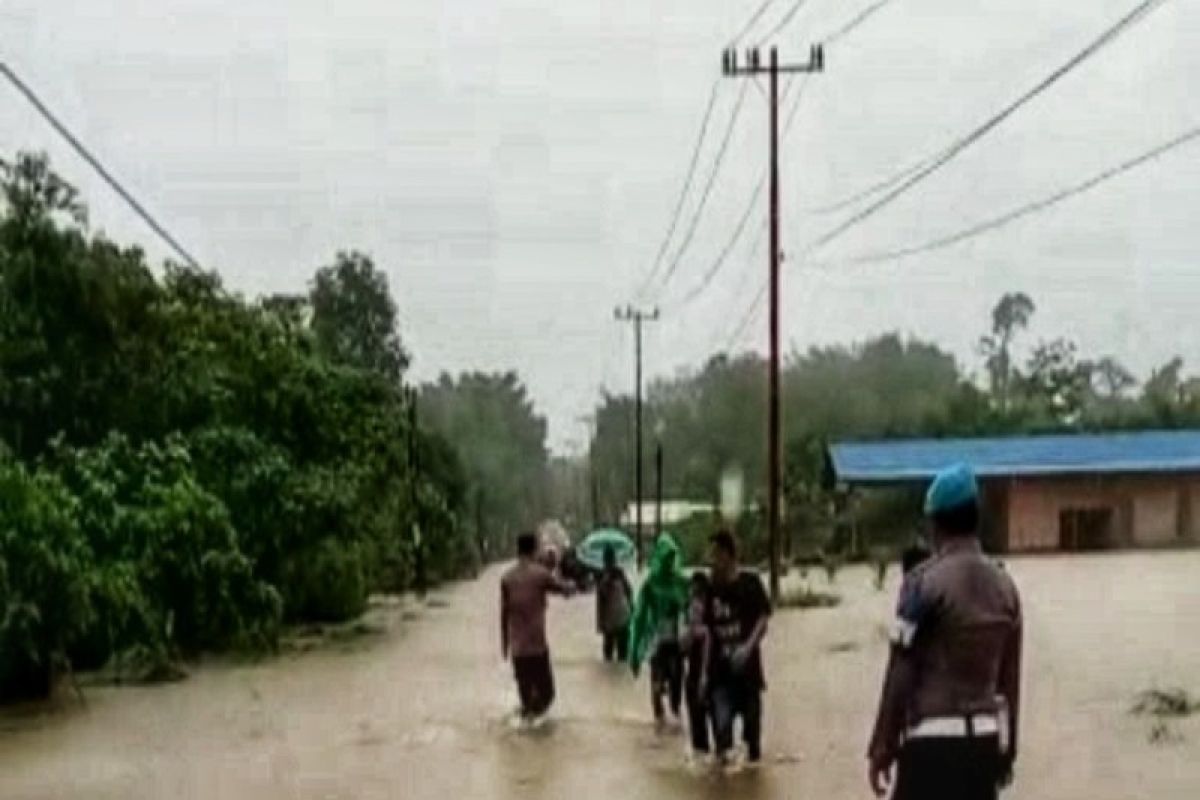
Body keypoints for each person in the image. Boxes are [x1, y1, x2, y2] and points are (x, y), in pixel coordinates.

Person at [867, 463, 1023, 800]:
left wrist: (882, 744)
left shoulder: (921, 584)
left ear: (934, 523)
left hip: (931, 744)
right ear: (976, 519)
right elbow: (1009, 681)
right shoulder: (1007, 588)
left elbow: (901, 668)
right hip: (984, 740)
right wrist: (1008, 750)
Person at [706, 529, 771, 765]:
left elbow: (764, 620)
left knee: (753, 749)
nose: (711, 561)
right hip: (719, 678)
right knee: (722, 746)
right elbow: (704, 631)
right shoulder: (709, 589)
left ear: (727, 555)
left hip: (749, 676)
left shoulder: (750, 584)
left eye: (715, 555)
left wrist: (748, 646)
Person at [500, 533, 574, 722]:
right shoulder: (540, 575)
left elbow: (503, 613)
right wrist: (574, 586)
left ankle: (527, 726)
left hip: (518, 649)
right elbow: (563, 589)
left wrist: (504, 645)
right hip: (537, 647)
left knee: (526, 698)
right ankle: (537, 733)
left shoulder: (507, 578)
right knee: (548, 695)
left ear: (517, 550)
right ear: (533, 550)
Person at [628, 534, 690, 728]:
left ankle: (674, 717)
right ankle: (659, 721)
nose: (669, 562)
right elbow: (638, 617)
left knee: (677, 684)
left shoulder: (682, 582)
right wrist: (634, 653)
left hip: (677, 641)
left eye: (672, 558)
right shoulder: (650, 584)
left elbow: (693, 611)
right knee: (656, 685)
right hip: (657, 640)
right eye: (666, 558)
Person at [681, 570, 713, 757]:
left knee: (715, 729)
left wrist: (704, 676)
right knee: (698, 733)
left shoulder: (710, 627)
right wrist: (690, 632)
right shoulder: (693, 626)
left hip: (706, 677)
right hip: (694, 676)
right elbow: (683, 647)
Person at [595, 545, 633, 662]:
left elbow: (628, 591)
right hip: (615, 618)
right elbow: (628, 592)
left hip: (617, 618)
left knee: (617, 653)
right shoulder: (604, 574)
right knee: (613, 652)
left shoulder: (616, 573)